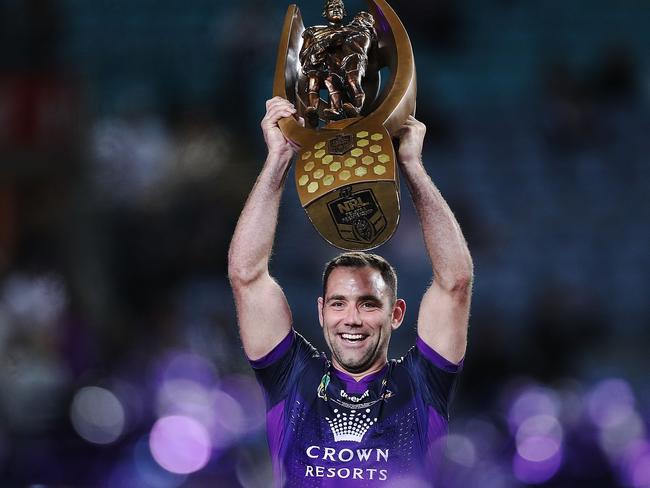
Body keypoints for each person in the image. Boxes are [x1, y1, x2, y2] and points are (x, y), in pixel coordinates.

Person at [228, 97, 473, 486]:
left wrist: (411, 166)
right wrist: (278, 160)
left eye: (369, 303)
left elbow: (454, 282)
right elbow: (247, 276)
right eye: (339, 303)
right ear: (322, 310)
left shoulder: (423, 382)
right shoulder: (291, 377)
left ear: (396, 314)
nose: (352, 318)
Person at [299, 0, 376, 125]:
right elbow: (303, 53)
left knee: (349, 86)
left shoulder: (353, 30)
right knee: (314, 81)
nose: (336, 10)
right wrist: (318, 50)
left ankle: (348, 111)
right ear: (325, 13)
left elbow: (367, 51)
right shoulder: (313, 30)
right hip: (321, 67)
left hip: (346, 69)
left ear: (344, 13)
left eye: (339, 7)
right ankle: (313, 111)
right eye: (332, 7)